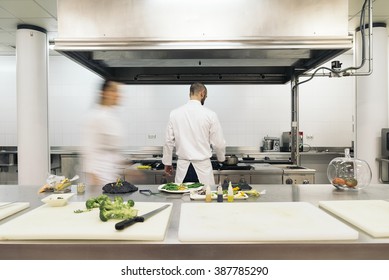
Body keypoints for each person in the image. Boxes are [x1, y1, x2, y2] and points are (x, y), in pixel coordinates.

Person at [162, 82, 226, 186]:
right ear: (202, 93)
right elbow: (218, 143)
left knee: (182, 200)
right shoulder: (210, 115)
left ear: (190, 94)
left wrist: (167, 163)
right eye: (206, 96)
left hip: (183, 169)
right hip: (203, 170)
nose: (205, 97)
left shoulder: (174, 114)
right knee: (204, 199)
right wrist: (221, 159)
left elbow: (168, 141)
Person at [81, 79, 126, 186]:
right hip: (98, 177)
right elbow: (88, 148)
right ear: (104, 93)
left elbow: (113, 150)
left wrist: (127, 166)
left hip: (110, 175)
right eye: (114, 91)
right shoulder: (95, 116)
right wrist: (92, 175)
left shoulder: (112, 115)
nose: (118, 95)